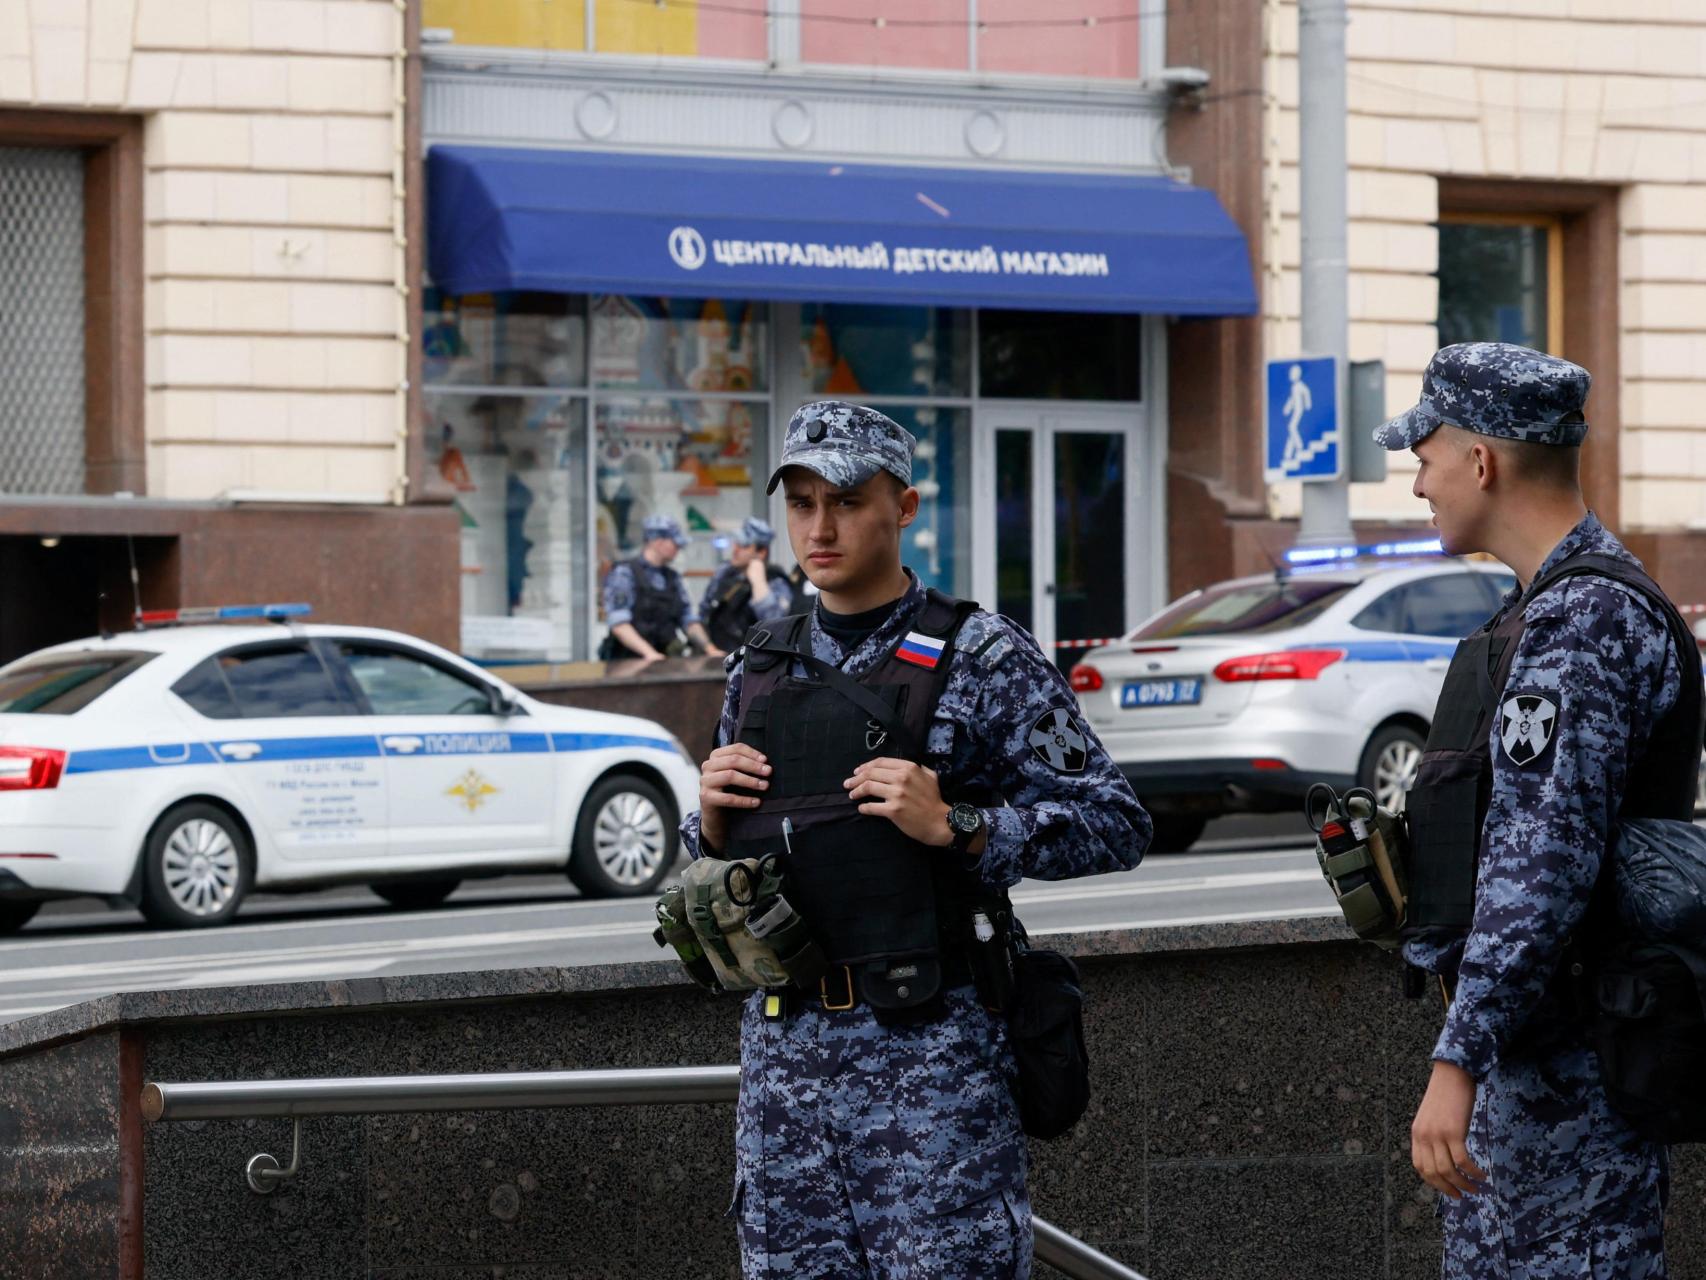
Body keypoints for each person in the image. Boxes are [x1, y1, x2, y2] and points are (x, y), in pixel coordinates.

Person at [682, 400, 1151, 1280]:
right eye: (803, 502)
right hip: (785, 1079)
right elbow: (730, 855)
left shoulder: (981, 654)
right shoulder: (760, 662)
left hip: (930, 1077)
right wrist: (705, 820)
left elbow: (1114, 822)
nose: (820, 528)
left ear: (905, 506)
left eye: (848, 501)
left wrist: (960, 827)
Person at [1379, 343, 1689, 1278]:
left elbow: (1540, 867)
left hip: (1568, 1083)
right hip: (1546, 1068)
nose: (1419, 483)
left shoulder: (1581, 621)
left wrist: (1457, 1059)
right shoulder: (1544, 607)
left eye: (1425, 456)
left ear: (1482, 461)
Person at [600, 514, 723, 662]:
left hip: (664, 662)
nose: (678, 549)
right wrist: (650, 654)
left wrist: (710, 649)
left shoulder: (672, 578)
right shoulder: (624, 573)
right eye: (675, 544)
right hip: (627, 662)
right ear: (658, 542)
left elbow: (688, 619)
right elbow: (619, 624)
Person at [700, 516, 795, 653]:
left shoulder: (775, 581)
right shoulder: (724, 573)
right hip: (718, 656)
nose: (735, 549)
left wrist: (758, 582)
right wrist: (708, 647)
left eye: (744, 545)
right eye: (736, 543)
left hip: (752, 662)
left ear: (761, 552)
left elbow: (776, 625)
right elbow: (705, 612)